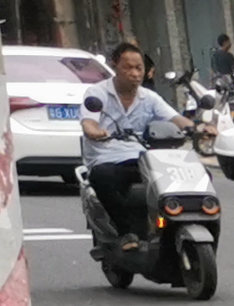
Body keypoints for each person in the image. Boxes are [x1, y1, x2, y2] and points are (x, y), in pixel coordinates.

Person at [77, 40, 181, 245]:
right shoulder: (97, 93)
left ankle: (168, 227)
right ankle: (126, 232)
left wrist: (200, 127)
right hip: (106, 157)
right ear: (115, 65)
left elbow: (176, 119)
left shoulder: (150, 97)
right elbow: (88, 124)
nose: (135, 73)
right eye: (128, 68)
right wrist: (96, 132)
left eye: (139, 68)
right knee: (101, 177)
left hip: (142, 158)